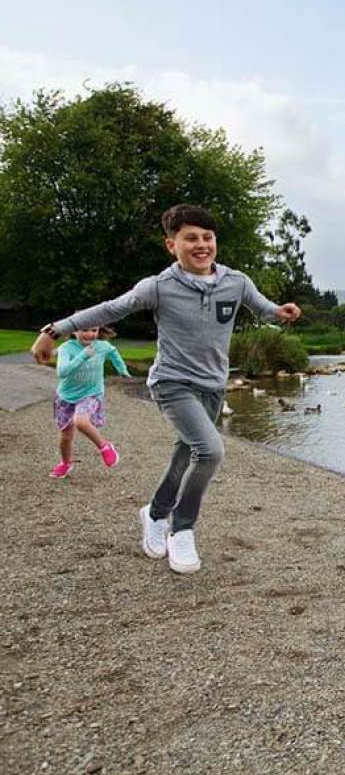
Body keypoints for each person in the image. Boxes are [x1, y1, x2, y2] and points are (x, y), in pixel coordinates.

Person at [32, 204, 301, 574]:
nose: (202, 244)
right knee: (210, 451)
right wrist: (53, 330)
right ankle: (182, 528)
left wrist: (280, 312)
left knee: (185, 455)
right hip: (172, 384)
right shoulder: (158, 287)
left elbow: (263, 308)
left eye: (208, 237)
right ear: (171, 245)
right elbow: (110, 309)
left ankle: (154, 513)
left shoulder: (236, 282)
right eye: (191, 238)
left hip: (212, 387)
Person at [49, 326, 131, 478]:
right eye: (84, 329)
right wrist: (83, 355)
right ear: (74, 331)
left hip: (91, 393)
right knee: (66, 436)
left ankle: (105, 446)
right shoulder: (67, 348)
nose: (90, 334)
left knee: (81, 422)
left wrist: (122, 369)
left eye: (94, 330)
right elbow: (62, 372)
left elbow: (113, 352)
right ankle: (65, 463)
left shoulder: (102, 346)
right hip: (66, 397)